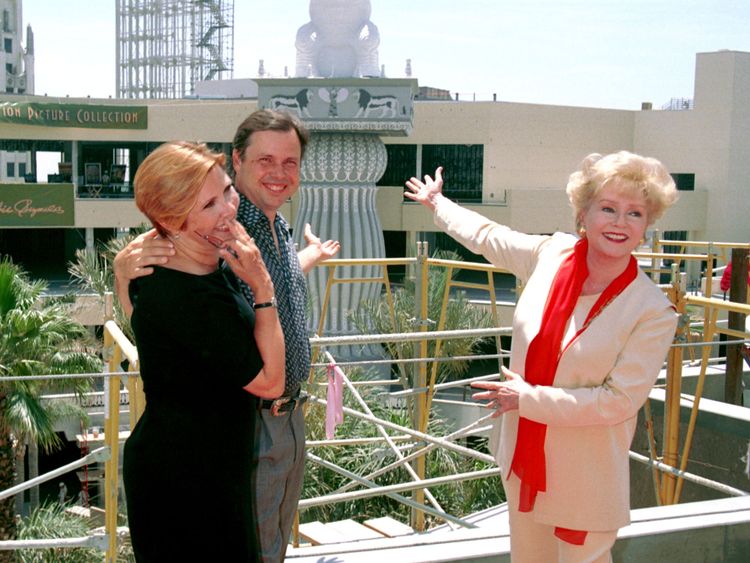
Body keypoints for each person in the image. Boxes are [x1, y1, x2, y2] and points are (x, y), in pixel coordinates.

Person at [405, 151, 679, 562]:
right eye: (608, 208)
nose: (620, 223)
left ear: (647, 225)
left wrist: (526, 399)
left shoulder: (652, 310)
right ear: (583, 213)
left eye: (634, 213)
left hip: (584, 480)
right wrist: (437, 203)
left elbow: (618, 402)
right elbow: (488, 235)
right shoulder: (553, 255)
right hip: (524, 465)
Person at [114, 110, 340, 562]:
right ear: (237, 159)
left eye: (291, 162)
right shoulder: (222, 238)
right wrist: (124, 275)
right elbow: (173, 302)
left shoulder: (272, 227)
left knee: (270, 544)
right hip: (245, 428)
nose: (279, 174)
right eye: (265, 161)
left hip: (274, 423)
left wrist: (309, 256)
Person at [121, 141, 286, 562]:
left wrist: (122, 278)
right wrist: (263, 289)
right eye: (210, 204)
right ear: (172, 220)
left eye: (227, 190)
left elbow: (145, 323)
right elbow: (270, 382)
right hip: (184, 481)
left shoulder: (205, 264)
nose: (229, 208)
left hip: (212, 467)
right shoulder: (187, 294)